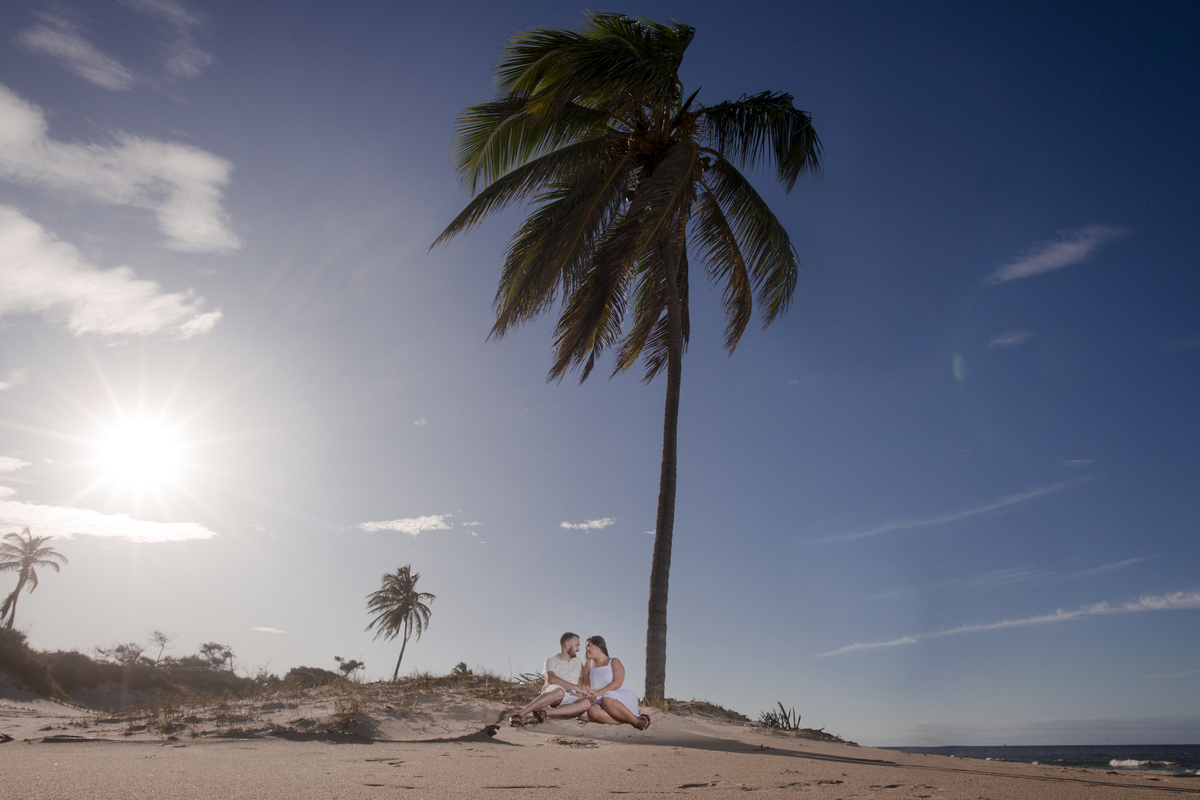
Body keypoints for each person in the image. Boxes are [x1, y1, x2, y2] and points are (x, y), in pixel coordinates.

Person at [510, 632, 593, 727]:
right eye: (577, 645)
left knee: (586, 703)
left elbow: (582, 682)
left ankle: (545, 713)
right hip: (553, 695)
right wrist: (576, 687)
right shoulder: (551, 660)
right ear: (567, 645)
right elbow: (551, 679)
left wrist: (585, 690)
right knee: (559, 692)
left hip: (569, 698)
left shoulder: (578, 661)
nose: (578, 649)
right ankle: (520, 714)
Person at [581, 635, 651, 730]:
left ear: (597, 646)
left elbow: (617, 683)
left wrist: (598, 693)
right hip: (604, 699)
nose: (586, 650)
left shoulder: (614, 661)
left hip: (621, 697)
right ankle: (629, 719)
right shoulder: (589, 664)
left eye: (588, 646)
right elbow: (586, 688)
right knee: (592, 711)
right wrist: (587, 706)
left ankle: (636, 721)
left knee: (607, 700)